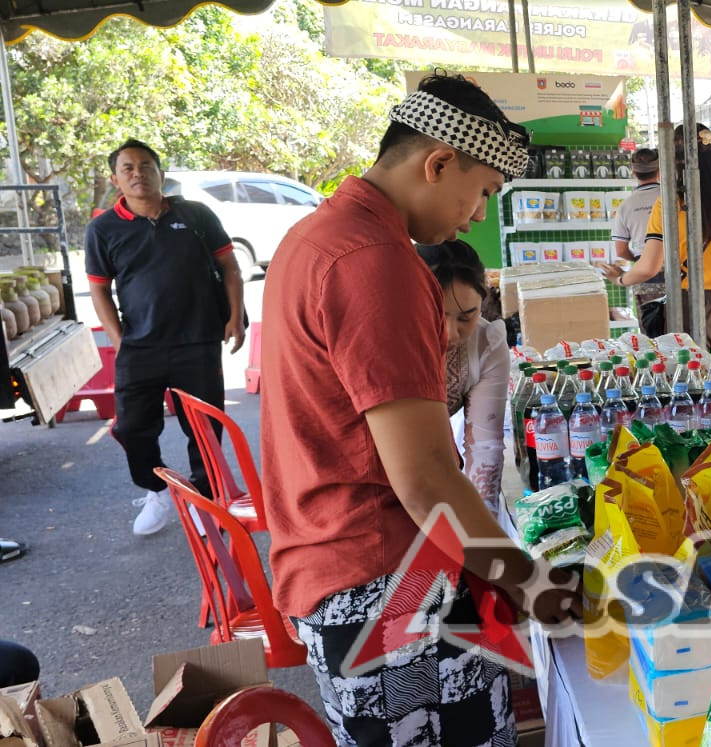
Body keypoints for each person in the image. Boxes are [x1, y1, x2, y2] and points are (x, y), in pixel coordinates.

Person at [260, 73, 572, 746]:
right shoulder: (377, 262)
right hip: (391, 587)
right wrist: (523, 576)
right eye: (484, 190)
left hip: (340, 572)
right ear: (438, 163)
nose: (479, 215)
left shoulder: (314, 238)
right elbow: (426, 474)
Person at [85, 138, 247, 536]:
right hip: (140, 346)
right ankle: (157, 490)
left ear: (160, 171)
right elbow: (99, 289)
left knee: (205, 428)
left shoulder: (195, 215)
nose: (138, 174)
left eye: (146, 166)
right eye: (128, 169)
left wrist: (236, 319)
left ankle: (207, 501)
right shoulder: (103, 228)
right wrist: (119, 340)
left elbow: (230, 267)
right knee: (132, 428)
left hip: (198, 339)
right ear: (116, 179)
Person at [604, 123, 711, 378]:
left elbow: (649, 267)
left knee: (692, 393)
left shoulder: (668, 205)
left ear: (672, 162)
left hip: (687, 303)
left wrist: (620, 279)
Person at [418, 240, 509, 512]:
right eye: (436, 315)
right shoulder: (386, 336)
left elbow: (485, 447)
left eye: (466, 316)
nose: (450, 333)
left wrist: (484, 523)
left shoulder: (486, 343)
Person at [610, 149, 667, 336]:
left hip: (645, 276)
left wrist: (642, 260)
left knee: (654, 334)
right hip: (680, 272)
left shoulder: (626, 206)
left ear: (633, 172)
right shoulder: (670, 197)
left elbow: (621, 250)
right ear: (660, 170)